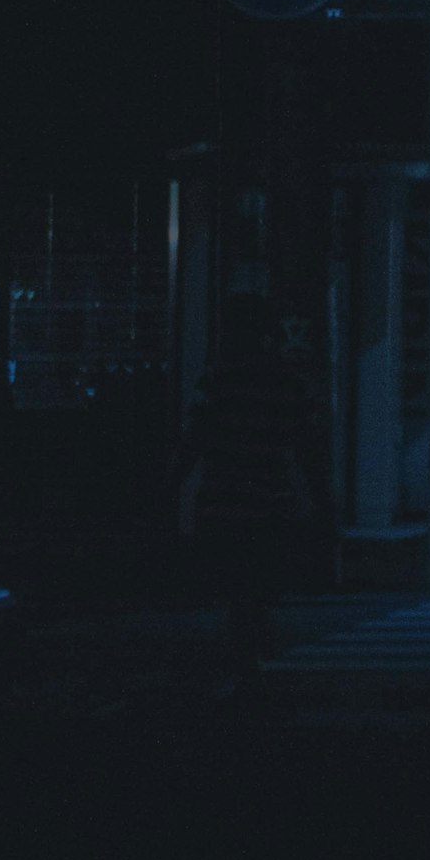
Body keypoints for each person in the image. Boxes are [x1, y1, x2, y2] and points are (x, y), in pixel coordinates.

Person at [177, 293, 325, 687]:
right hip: (270, 503)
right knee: (259, 586)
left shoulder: (216, 379)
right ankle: (259, 659)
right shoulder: (290, 384)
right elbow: (308, 447)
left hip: (222, 501)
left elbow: (193, 440)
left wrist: (171, 487)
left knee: (234, 588)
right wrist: (320, 503)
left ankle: (246, 667)